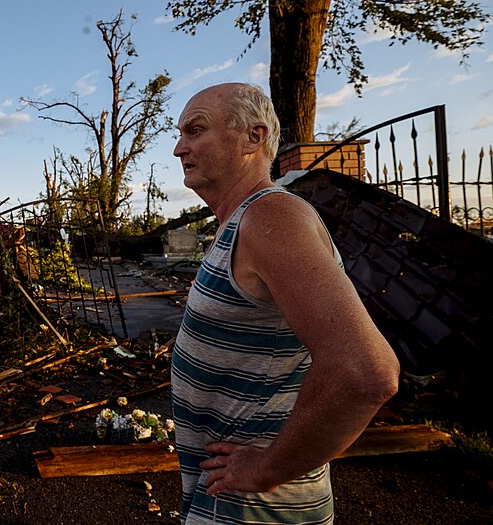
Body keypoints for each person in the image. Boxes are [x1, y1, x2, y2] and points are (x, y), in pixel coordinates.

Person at [170, 83, 400, 524]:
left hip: (259, 508)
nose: (181, 148)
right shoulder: (239, 224)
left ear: (254, 138)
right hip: (224, 497)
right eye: (180, 135)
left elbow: (366, 372)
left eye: (195, 130)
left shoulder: (271, 217)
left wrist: (267, 468)